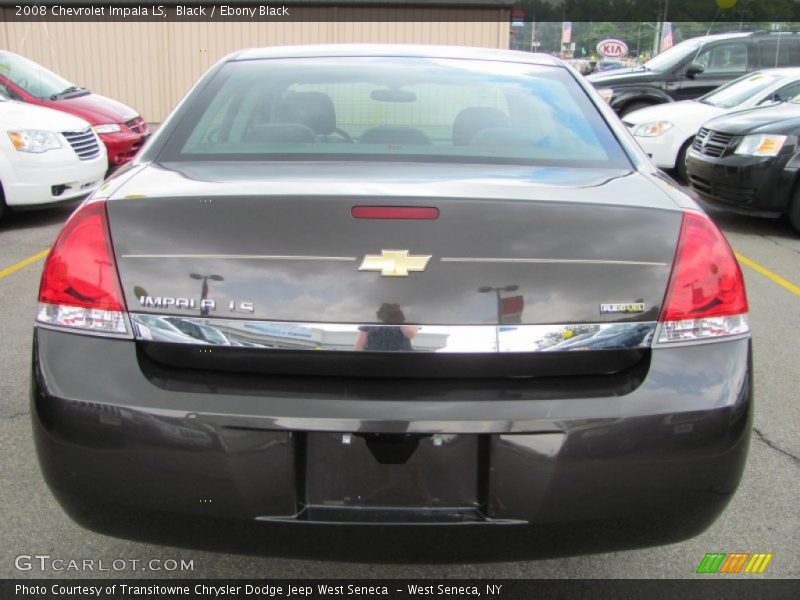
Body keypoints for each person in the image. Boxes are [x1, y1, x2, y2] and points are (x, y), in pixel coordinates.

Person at [354, 303, 419, 351]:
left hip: (401, 358)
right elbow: (361, 340)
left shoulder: (409, 318)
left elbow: (411, 334)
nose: (389, 313)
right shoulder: (370, 320)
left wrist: (399, 320)